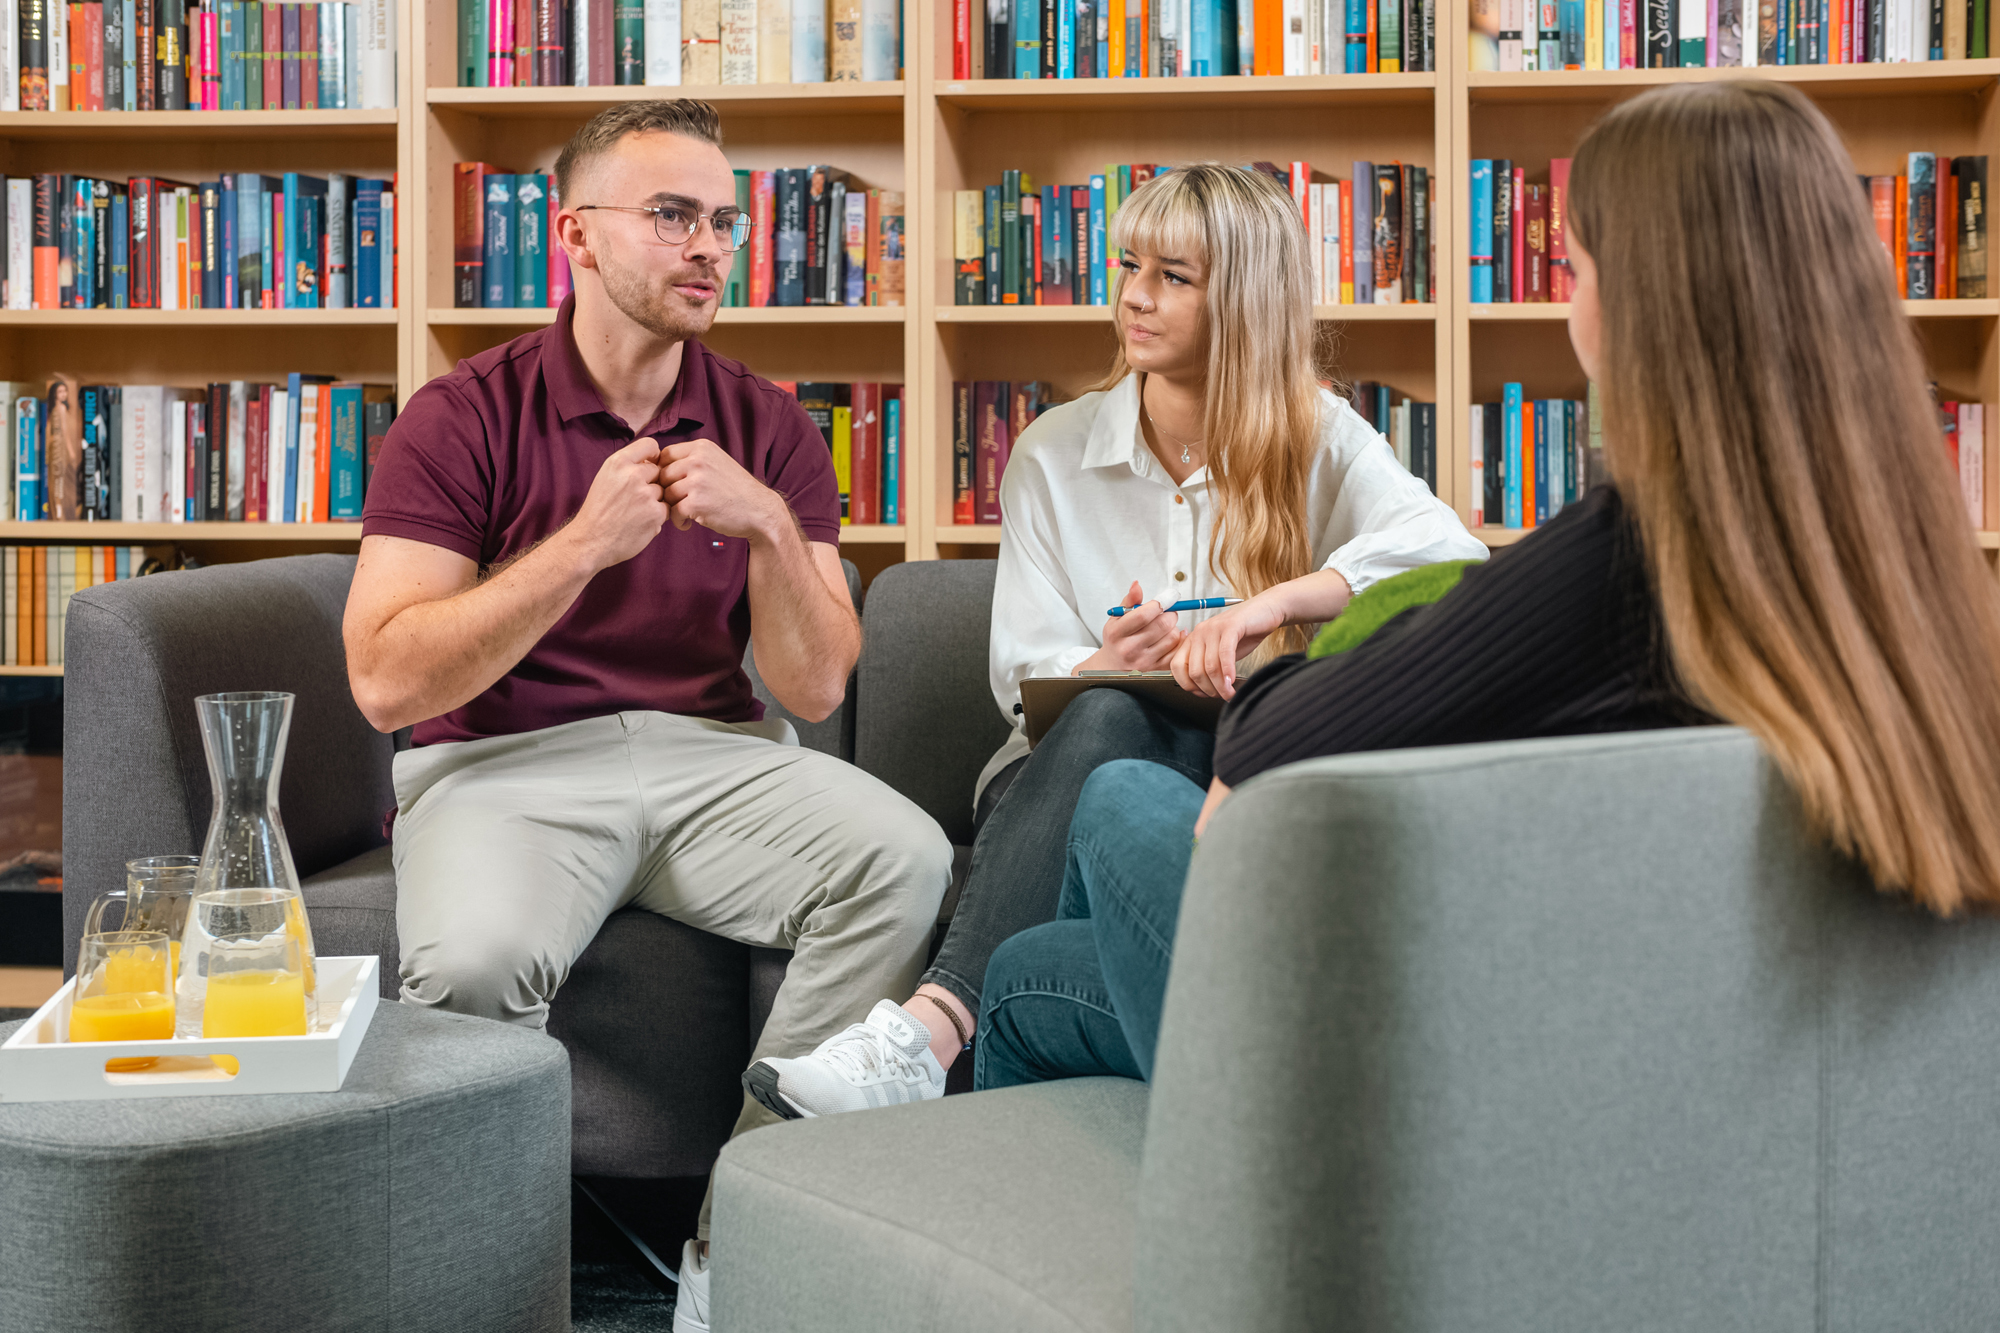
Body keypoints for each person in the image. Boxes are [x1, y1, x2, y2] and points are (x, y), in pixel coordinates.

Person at [974, 79, 2000, 1091]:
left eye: (1577, 261)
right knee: (1043, 942)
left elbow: (1278, 733)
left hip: (1423, 1073)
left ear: (1642, 302)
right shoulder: (1912, 576)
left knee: (1070, 885)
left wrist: (1291, 636)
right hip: (1702, 1059)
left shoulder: (1631, 559)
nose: (1565, 296)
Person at [341, 99, 952, 1333]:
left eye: (723, 221)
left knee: (907, 857)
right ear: (576, 235)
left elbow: (818, 685)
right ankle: (481, 1285)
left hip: (711, 758)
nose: (709, 247)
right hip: (501, 763)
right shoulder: (460, 416)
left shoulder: (767, 426)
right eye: (672, 215)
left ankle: (745, 1236)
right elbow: (387, 680)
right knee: (468, 962)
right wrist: (579, 548)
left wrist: (771, 528)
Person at [747, 162, 1486, 1119]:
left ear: (1246, 301)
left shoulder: (1321, 436)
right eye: (1129, 264)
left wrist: (1269, 608)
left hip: (1222, 779)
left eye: (1172, 276)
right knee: (1102, 712)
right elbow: (1024, 680)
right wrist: (1105, 666)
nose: (1133, 296)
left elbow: (1448, 558)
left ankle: (932, 1043)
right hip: (1060, 768)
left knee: (1102, 834)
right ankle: (926, 1032)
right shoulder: (1053, 452)